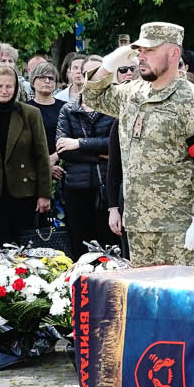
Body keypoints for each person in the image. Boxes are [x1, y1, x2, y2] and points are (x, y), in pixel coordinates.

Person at [81, 23, 194, 266]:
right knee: (145, 290)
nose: (141, 56)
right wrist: (107, 65)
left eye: (150, 50)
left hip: (178, 227)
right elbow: (92, 97)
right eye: (140, 50)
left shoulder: (193, 101)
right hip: (138, 224)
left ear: (173, 53)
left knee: (181, 290)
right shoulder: (132, 93)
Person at [0, 65, 54, 247]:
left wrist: (44, 194)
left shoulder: (31, 114)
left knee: (26, 249)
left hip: (25, 193)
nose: (4, 91)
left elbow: (42, 156)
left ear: (16, 88)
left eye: (9, 86)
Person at [55, 60, 116, 259]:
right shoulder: (68, 109)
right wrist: (100, 154)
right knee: (80, 248)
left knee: (108, 249)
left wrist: (79, 143)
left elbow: (114, 145)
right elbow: (63, 150)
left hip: (106, 187)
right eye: (89, 72)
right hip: (76, 187)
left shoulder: (114, 109)